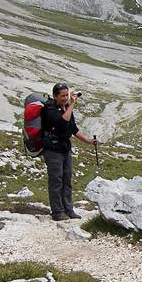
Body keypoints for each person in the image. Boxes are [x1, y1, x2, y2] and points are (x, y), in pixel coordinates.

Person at [42, 83, 97, 221]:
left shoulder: (66, 108)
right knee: (56, 180)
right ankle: (57, 212)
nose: (66, 98)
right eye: (63, 96)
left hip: (65, 148)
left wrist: (88, 140)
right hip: (53, 149)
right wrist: (72, 105)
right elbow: (61, 122)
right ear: (55, 96)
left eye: (67, 95)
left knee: (67, 179)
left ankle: (68, 209)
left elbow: (73, 128)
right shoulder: (49, 109)